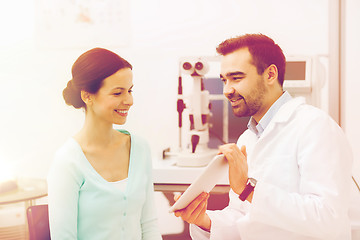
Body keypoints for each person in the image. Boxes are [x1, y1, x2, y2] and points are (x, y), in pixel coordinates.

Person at [174, 33, 360, 240]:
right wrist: (205, 222)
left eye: (236, 78)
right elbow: (244, 218)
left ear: (270, 74)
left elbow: (328, 220)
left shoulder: (315, 126)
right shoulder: (247, 139)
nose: (227, 90)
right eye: (224, 80)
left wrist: (248, 189)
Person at [48, 48, 162, 240]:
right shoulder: (67, 162)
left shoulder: (140, 148)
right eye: (118, 93)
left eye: (130, 91)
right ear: (87, 96)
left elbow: (149, 224)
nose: (129, 101)